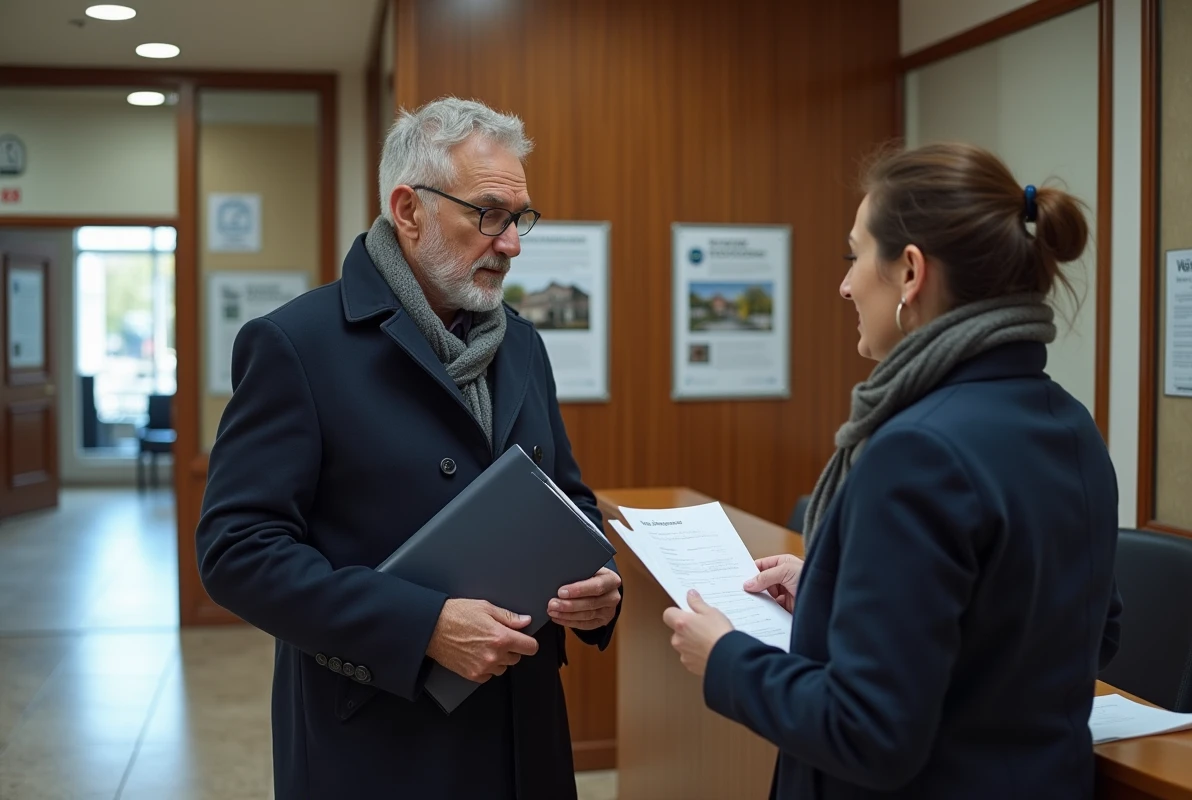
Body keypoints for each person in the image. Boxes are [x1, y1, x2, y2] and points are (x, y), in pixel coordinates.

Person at [663, 142, 1122, 799]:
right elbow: (1087, 634)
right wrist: (838, 586)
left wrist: (726, 660)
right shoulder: (1071, 424)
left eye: (854, 254)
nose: (845, 283)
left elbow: (869, 731)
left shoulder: (918, 450)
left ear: (910, 272)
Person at [196, 97, 622, 800]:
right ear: (409, 209)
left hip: (523, 731)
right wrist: (421, 625)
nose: (511, 243)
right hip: (380, 740)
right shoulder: (298, 345)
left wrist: (598, 589)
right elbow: (237, 551)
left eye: (518, 219)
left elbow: (566, 497)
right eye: (487, 214)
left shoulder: (521, 343)